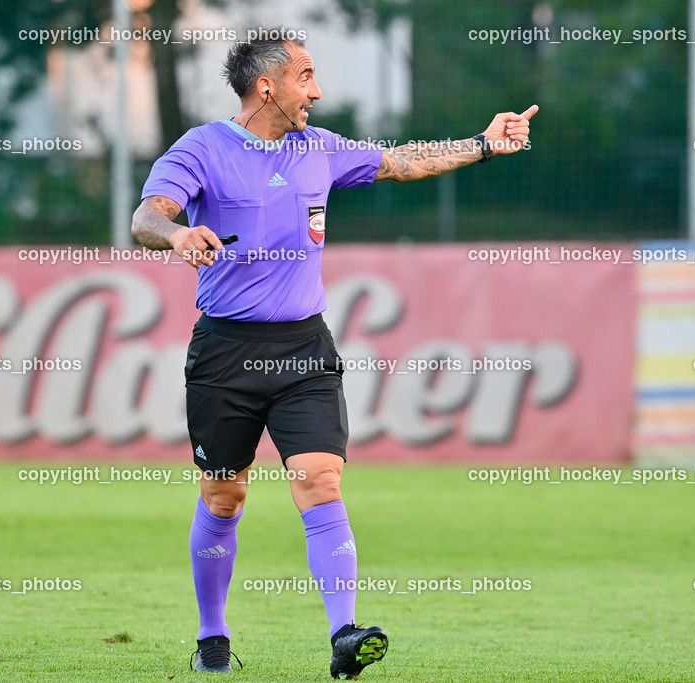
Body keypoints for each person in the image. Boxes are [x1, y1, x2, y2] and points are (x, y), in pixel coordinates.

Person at [131, 26, 537, 679]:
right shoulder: (201, 148)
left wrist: (485, 144)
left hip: (303, 348)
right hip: (225, 352)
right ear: (267, 87)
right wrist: (177, 237)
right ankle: (212, 635)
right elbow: (146, 218)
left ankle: (345, 634)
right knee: (224, 496)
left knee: (319, 480)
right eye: (305, 77)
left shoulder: (319, 147)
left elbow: (404, 160)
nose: (316, 91)